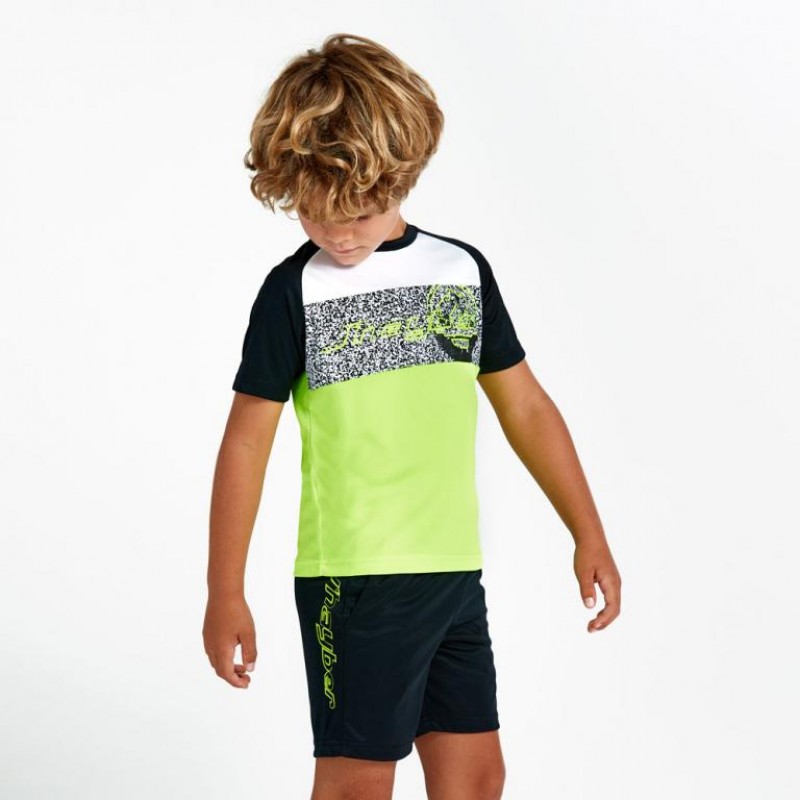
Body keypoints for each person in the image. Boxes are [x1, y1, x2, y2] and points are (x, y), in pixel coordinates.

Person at [203, 32, 621, 800]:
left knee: (477, 778)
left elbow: (526, 405)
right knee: (359, 784)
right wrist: (224, 589)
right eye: (314, 213)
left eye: (360, 211)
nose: (338, 233)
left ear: (403, 175)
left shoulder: (460, 273)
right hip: (355, 583)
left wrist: (586, 530)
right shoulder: (294, 293)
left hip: (454, 573)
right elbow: (246, 442)